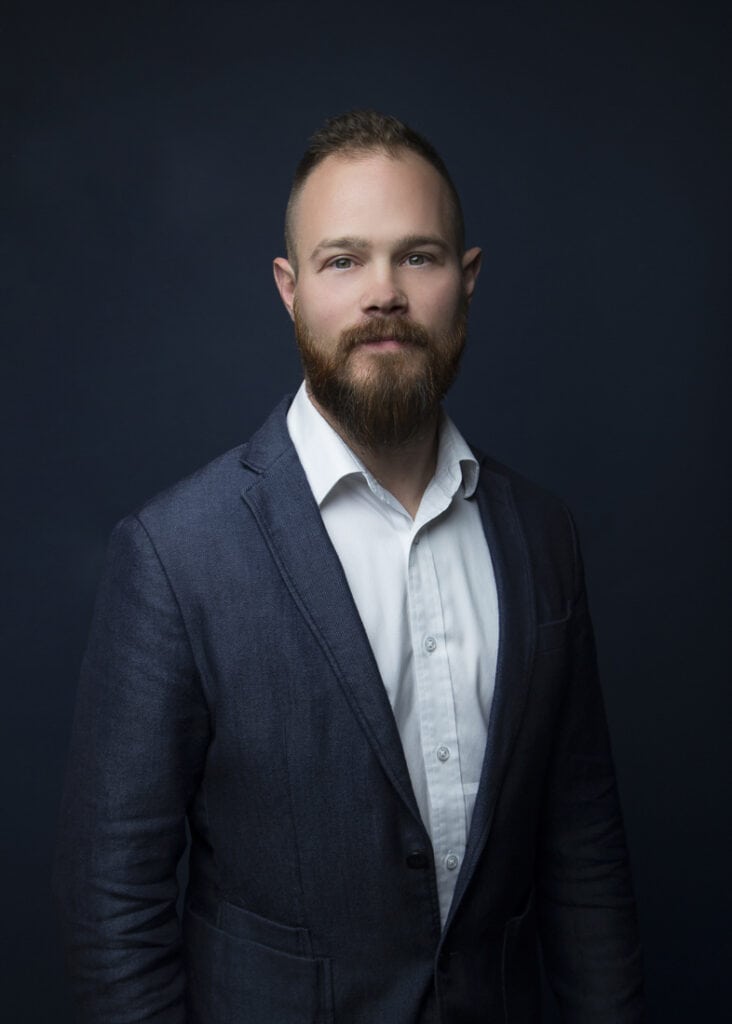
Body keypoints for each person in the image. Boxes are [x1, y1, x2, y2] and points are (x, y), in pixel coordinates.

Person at [55, 110, 645, 1023]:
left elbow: (585, 856)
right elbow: (113, 908)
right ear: (289, 289)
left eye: (418, 256)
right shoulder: (175, 555)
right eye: (343, 260)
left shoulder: (542, 534)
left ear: (468, 278)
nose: (384, 293)